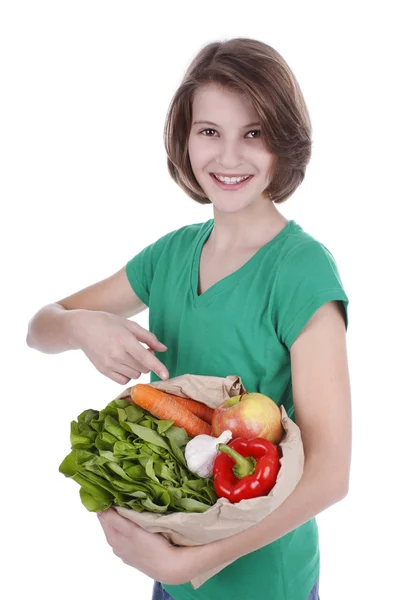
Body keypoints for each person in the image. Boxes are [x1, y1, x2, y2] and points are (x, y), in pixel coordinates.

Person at [26, 37, 352, 600]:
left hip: (260, 583)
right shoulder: (170, 256)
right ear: (185, 138)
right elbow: (39, 327)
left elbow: (330, 476)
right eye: (209, 132)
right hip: (170, 570)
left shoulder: (301, 272)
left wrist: (192, 564)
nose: (228, 158)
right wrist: (83, 327)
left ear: (284, 139)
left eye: (253, 133)